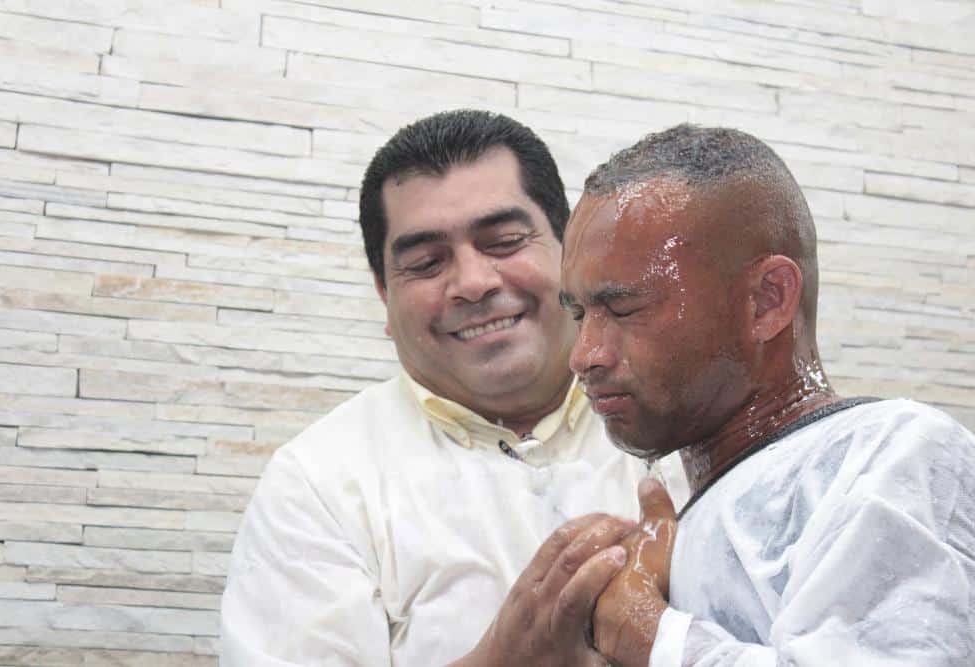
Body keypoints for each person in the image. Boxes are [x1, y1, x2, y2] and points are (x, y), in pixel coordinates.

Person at [219, 110, 686, 665]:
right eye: (426, 262)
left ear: (570, 252)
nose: (473, 283)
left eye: (506, 241)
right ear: (382, 292)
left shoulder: (688, 422)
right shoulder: (318, 484)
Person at [554, 123, 975, 666]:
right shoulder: (658, 504)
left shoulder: (899, 454)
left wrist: (637, 629)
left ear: (767, 301)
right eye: (577, 314)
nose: (583, 354)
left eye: (622, 309)